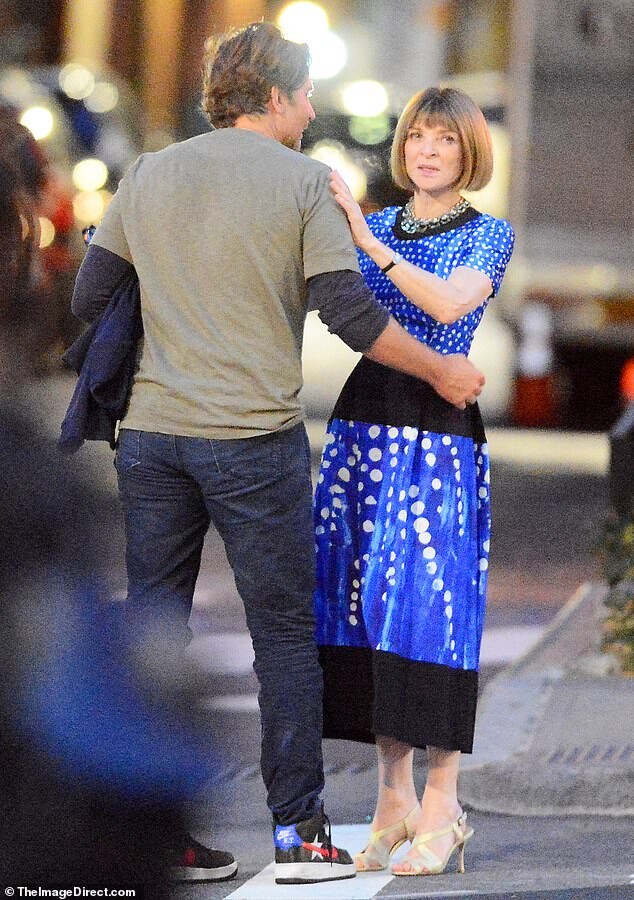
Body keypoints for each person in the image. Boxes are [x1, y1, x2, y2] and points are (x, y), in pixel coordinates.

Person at [71, 25, 485, 886]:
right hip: (252, 441)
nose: (309, 109)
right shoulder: (302, 182)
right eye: (304, 95)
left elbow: (89, 293)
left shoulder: (148, 172)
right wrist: (441, 370)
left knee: (153, 631)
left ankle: (161, 838)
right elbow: (351, 316)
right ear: (274, 98)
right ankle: (300, 834)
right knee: (284, 637)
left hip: (151, 439)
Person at [314, 86, 515, 877]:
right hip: (364, 421)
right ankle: (392, 798)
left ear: (469, 153)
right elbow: (342, 310)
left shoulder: (486, 233)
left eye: (446, 140)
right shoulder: (381, 224)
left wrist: (368, 240)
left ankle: (443, 802)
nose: (428, 151)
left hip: (437, 429)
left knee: (431, 607)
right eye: (419, 137)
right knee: (366, 606)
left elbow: (451, 303)